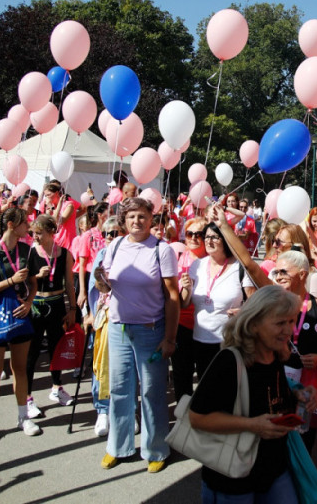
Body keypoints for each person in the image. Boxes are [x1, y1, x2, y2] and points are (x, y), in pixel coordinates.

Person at [188, 285, 317, 503]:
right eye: (280, 323)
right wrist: (252, 425)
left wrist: (298, 396)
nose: (288, 330)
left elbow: (270, 397)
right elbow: (197, 417)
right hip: (233, 477)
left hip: (275, 469)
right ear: (254, 324)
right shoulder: (229, 361)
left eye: (291, 321)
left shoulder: (275, 354)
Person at [93, 197, 180, 473]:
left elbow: (173, 297)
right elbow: (105, 287)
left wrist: (169, 338)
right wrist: (99, 280)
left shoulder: (161, 250)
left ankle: (155, 449)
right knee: (119, 390)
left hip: (150, 331)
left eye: (142, 216)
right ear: (124, 219)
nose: (136, 222)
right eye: (131, 216)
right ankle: (117, 447)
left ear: (151, 219)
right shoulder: (115, 246)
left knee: (152, 392)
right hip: (118, 328)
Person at [0, 207, 40, 446]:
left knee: (19, 369)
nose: (28, 227)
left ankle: (23, 417)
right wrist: (10, 281)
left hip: (20, 313)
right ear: (11, 224)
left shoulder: (25, 249)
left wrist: (30, 301)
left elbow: (33, 281)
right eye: (25, 224)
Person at [274, 250, 317, 453]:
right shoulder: (273, 306)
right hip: (276, 382)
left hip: (307, 388)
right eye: (276, 272)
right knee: (275, 442)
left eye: (284, 271)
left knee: (303, 443)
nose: (278, 277)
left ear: (302, 274)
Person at [180, 222, 256, 380]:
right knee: (205, 390)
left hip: (229, 342)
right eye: (206, 237)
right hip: (200, 340)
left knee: (227, 390)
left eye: (214, 237)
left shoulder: (239, 266)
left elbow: (254, 303)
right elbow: (185, 303)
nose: (208, 241)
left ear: (226, 240)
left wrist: (242, 312)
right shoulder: (197, 265)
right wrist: (186, 288)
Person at [24, 214, 78, 416]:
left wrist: (72, 309)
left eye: (39, 233)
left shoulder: (64, 253)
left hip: (56, 305)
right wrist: (37, 277)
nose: (35, 237)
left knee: (57, 349)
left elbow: (70, 284)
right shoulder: (30, 253)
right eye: (33, 233)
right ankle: (28, 398)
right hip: (36, 304)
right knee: (33, 352)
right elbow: (24, 282)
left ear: (51, 232)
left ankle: (57, 387)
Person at [85, 217, 123, 437]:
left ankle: (127, 410)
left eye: (115, 233)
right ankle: (102, 410)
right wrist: (90, 314)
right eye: (107, 234)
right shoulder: (101, 255)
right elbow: (94, 290)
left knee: (125, 366)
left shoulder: (131, 253)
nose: (111, 237)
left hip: (128, 317)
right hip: (106, 317)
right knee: (102, 363)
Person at [172, 217, 209, 401]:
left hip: (206, 326)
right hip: (181, 324)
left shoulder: (213, 260)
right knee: (182, 377)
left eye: (199, 234)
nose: (194, 238)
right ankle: (182, 418)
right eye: (189, 234)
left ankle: (203, 419)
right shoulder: (177, 257)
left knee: (206, 378)